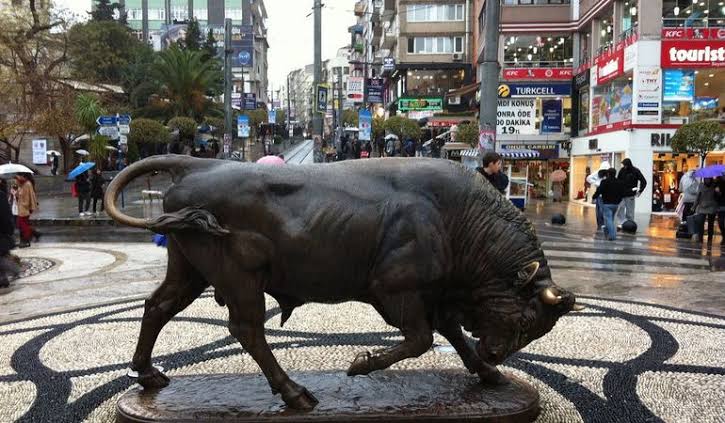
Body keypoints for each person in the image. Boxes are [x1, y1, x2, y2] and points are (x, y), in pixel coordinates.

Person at [593, 168, 626, 241]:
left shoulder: (604, 181)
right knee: (610, 219)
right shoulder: (619, 182)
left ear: (608, 174)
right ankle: (607, 234)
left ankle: (612, 236)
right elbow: (623, 192)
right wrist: (619, 200)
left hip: (607, 203)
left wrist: (594, 196)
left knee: (608, 219)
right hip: (615, 204)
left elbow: (599, 190)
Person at [616, 158, 647, 225]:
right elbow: (618, 181)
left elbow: (644, 181)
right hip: (621, 194)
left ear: (629, 164)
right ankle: (621, 223)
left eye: (625, 165)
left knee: (630, 212)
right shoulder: (622, 170)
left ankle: (630, 224)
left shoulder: (635, 171)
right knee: (620, 210)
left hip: (630, 195)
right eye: (623, 165)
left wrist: (640, 191)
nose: (624, 166)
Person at [586, 162, 611, 232]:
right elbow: (588, 178)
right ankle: (601, 224)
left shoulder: (608, 174)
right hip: (600, 195)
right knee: (599, 210)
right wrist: (596, 183)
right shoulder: (598, 173)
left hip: (606, 195)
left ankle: (603, 224)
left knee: (602, 210)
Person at [15, 173, 38, 248]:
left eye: (17, 177)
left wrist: (25, 205)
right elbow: (19, 194)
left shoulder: (27, 184)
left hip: (24, 208)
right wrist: (16, 192)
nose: (16, 180)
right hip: (21, 208)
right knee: (22, 224)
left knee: (23, 225)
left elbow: (27, 198)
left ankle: (27, 240)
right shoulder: (22, 184)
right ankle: (33, 235)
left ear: (22, 176)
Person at [692, 178, 718, 244]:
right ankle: (700, 239)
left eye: (708, 179)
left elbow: (718, 197)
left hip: (712, 207)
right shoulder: (701, 186)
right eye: (706, 179)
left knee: (710, 224)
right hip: (702, 207)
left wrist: (717, 192)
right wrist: (694, 206)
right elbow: (698, 197)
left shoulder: (714, 186)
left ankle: (710, 239)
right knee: (700, 223)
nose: (707, 180)